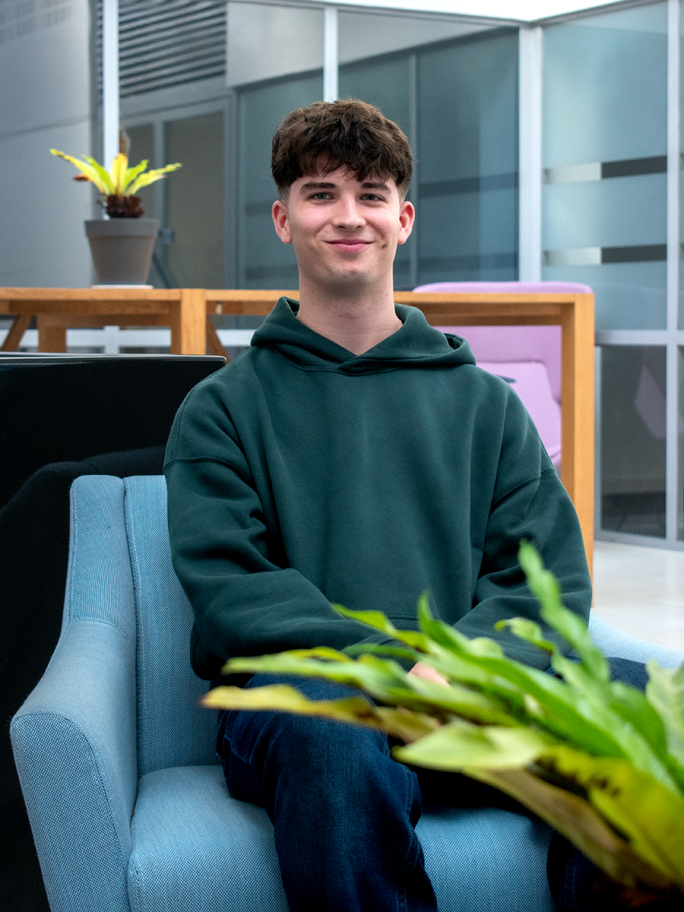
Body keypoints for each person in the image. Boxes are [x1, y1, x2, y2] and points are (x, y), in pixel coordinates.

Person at [164, 98, 592, 911]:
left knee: (645, 716)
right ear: (284, 220)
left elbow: (543, 581)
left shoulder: (487, 406)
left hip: (468, 697)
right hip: (307, 707)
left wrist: (462, 668)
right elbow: (233, 591)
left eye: (370, 193)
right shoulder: (221, 408)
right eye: (321, 193)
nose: (347, 215)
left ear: (404, 217)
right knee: (334, 723)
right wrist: (397, 669)